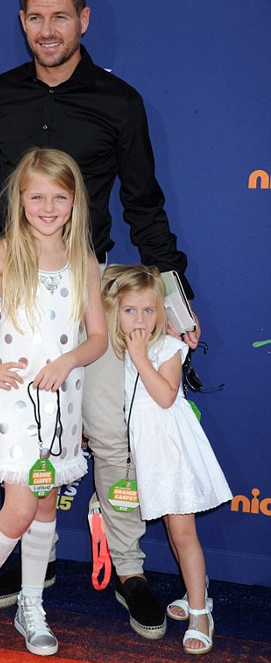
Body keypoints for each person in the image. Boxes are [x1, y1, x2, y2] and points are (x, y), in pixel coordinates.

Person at [0, 0, 200, 638]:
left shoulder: (120, 103)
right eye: (36, 18)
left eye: (60, 16)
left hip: (88, 293)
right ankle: (29, 567)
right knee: (28, 436)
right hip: (13, 296)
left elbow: (144, 206)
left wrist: (176, 301)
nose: (48, 30)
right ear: (22, 21)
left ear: (83, 19)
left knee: (108, 435)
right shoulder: (0, 93)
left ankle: (128, 568)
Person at [0, 148, 108, 661]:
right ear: (20, 200)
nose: (48, 208)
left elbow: (98, 338)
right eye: (37, 197)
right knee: (21, 506)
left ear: (75, 202)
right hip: (14, 400)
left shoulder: (84, 260)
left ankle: (31, 604)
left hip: (64, 400)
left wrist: (69, 360)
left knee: (47, 502)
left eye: (59, 197)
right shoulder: (2, 252)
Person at [101, 264, 231, 654]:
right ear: (115, 312)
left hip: (171, 452)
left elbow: (165, 396)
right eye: (130, 310)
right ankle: (195, 592)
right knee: (175, 533)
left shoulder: (168, 348)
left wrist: (141, 356)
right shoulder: (125, 350)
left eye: (148, 310)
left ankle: (200, 613)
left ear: (161, 312)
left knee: (183, 533)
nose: (139, 319)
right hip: (149, 453)